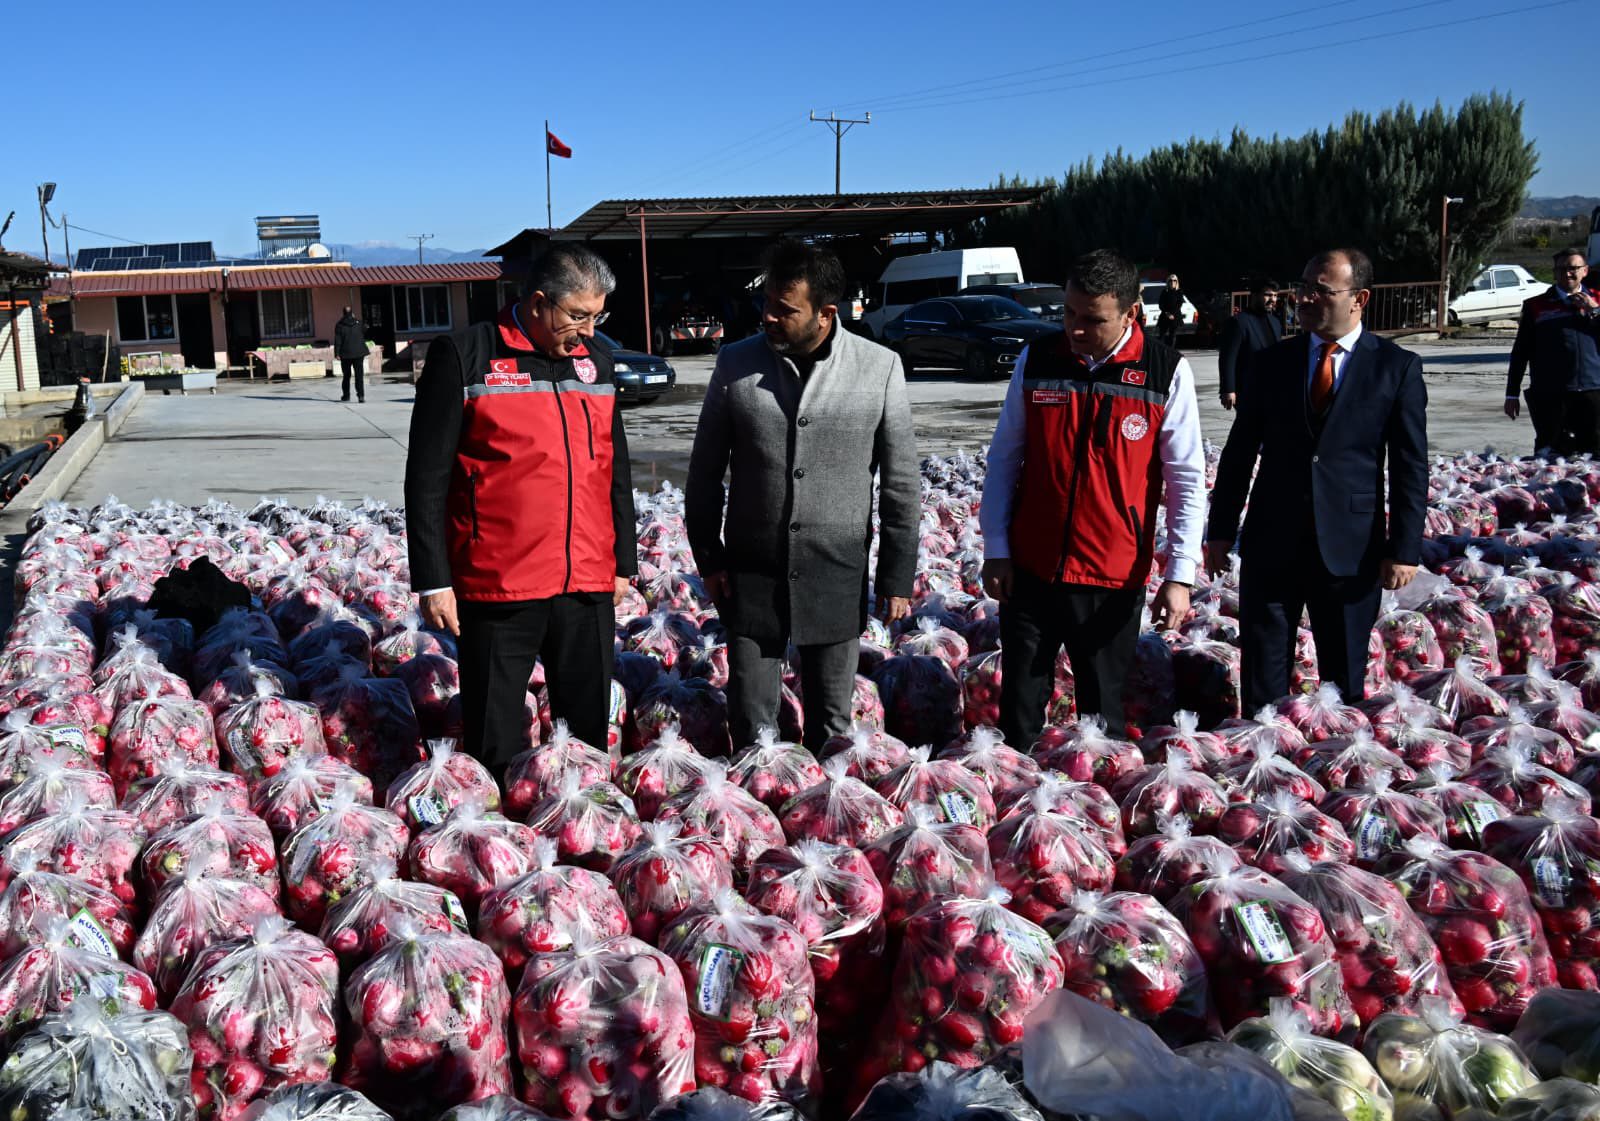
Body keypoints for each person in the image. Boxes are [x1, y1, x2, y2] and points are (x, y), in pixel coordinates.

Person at [404, 244, 636, 776]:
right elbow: (427, 479)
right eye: (577, 315)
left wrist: (622, 559)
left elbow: (614, 469)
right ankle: (502, 837)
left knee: (585, 733)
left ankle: (584, 826)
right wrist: (434, 580)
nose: (588, 330)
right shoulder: (466, 356)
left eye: (597, 316)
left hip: (586, 579)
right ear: (537, 303)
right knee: (496, 735)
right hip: (499, 583)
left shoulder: (594, 364)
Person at [686, 238, 919, 751]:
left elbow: (901, 483)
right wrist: (709, 556)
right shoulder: (736, 364)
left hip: (834, 569)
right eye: (765, 302)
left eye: (784, 309)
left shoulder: (877, 368)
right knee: (750, 721)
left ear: (825, 314)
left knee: (832, 724)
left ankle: (824, 816)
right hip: (752, 570)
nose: (768, 317)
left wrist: (896, 577)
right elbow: (704, 472)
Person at [980, 249, 1206, 746]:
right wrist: (996, 546)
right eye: (1068, 314)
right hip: (1031, 568)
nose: (1075, 329)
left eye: (1093, 319)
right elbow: (1004, 459)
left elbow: (1186, 479)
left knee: (1101, 721)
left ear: (1131, 314)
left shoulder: (1163, 371)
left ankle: (1095, 813)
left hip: (1111, 574)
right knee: (1019, 712)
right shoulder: (1037, 358)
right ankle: (1022, 810)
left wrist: (1180, 574)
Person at [1205, 248, 1428, 712]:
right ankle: (1265, 761)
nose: (1304, 298)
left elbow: (1410, 465)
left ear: (1358, 298)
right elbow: (1240, 452)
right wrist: (1221, 529)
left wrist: (1404, 548)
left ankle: (1334, 761)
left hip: (1351, 546)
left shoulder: (1395, 367)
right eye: (1302, 287)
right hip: (1273, 541)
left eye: (1320, 290)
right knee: (1263, 675)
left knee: (1343, 677)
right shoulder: (1270, 363)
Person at [1504, 247, 1600, 456]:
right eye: (1562, 269)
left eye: (1573, 268)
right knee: (1550, 455)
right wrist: (1512, 393)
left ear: (1585, 271)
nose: (1568, 273)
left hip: (1593, 391)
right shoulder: (1536, 306)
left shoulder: (1598, 300)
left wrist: (1595, 310)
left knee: (1594, 453)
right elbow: (1521, 351)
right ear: (1555, 272)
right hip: (1551, 393)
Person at [1217, 280, 1283, 410]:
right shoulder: (1238, 322)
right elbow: (1228, 358)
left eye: (1275, 295)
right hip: (1247, 390)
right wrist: (1228, 389)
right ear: (1254, 295)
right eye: (1268, 295)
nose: (1273, 299)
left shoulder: (1275, 322)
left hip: (1272, 389)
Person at [333, 307, 368, 403]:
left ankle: (346, 395)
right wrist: (356, 319)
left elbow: (337, 340)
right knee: (359, 376)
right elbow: (365, 330)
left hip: (345, 354)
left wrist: (337, 353)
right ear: (352, 313)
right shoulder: (359, 323)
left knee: (346, 376)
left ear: (343, 313)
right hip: (359, 353)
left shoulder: (339, 325)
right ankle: (361, 396)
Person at [1157, 274, 1186, 348]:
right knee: (1162, 335)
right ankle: (1161, 351)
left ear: (1177, 282)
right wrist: (1167, 313)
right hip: (1165, 315)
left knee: (1172, 335)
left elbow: (1179, 304)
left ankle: (1171, 351)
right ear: (1168, 282)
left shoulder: (1179, 291)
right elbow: (1161, 304)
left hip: (1175, 316)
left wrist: (1172, 314)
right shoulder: (1164, 291)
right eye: (1170, 280)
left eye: (1174, 280)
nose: (1172, 282)